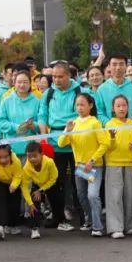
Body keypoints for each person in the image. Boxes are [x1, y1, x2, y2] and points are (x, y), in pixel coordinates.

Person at [37, 61, 80, 230]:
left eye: (60, 76)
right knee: (54, 182)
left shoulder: (80, 91)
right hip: (54, 143)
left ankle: (84, 217)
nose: (56, 80)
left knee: (80, 181)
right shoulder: (48, 93)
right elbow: (42, 115)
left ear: (69, 75)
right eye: (54, 76)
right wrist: (43, 137)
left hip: (76, 143)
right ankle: (58, 216)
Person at [57, 94, 107, 236]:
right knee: (82, 196)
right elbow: (61, 143)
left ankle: (97, 227)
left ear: (90, 105)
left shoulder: (95, 123)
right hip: (80, 167)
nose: (79, 108)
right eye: (77, 105)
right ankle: (90, 221)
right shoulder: (74, 123)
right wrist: (67, 130)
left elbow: (105, 144)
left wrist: (92, 161)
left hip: (94, 166)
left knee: (92, 195)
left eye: (82, 104)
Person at [103, 95, 132, 238]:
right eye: (118, 106)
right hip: (113, 163)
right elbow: (108, 146)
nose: (121, 108)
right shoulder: (109, 124)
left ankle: (128, 226)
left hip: (129, 163)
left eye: (124, 105)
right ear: (113, 108)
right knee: (114, 196)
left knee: (129, 196)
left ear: (128, 107)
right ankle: (115, 228)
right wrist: (112, 137)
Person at [0, 71, 42, 157]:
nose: (22, 85)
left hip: (30, 150)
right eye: (19, 82)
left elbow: (42, 123)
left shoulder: (37, 102)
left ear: (30, 84)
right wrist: (16, 127)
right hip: (10, 149)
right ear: (14, 83)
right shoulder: (6, 101)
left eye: (25, 82)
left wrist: (33, 125)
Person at [21, 142, 58, 240]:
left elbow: (54, 178)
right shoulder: (26, 168)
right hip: (37, 184)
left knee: (57, 199)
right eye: (29, 156)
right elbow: (24, 187)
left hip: (50, 182)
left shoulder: (49, 162)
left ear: (41, 154)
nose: (32, 159)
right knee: (33, 200)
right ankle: (35, 228)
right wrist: (30, 203)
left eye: (35, 156)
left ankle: (60, 220)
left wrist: (41, 190)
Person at [0, 144, 22, 239]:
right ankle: (0, 226)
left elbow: (18, 176)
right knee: (0, 201)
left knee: (14, 204)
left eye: (6, 157)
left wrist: (14, 185)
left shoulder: (16, 161)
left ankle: (12, 225)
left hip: (13, 182)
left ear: (10, 154)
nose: (3, 160)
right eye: (0, 157)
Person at [98, 54, 132, 124]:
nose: (118, 67)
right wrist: (110, 124)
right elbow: (99, 112)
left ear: (126, 66)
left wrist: (131, 122)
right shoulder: (102, 89)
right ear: (109, 66)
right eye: (114, 64)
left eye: (121, 64)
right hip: (111, 131)